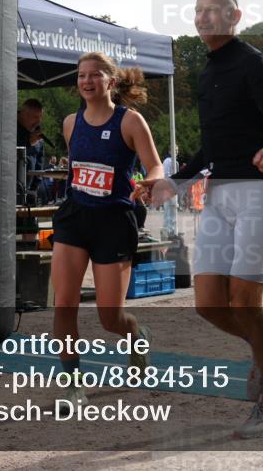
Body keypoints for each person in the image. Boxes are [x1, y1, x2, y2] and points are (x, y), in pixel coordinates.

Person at [141, 0, 263, 438]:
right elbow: (209, 150)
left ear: (234, 16)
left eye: (213, 9)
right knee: (208, 304)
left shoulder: (252, 61)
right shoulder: (206, 72)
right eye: (198, 9)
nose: (203, 16)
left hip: (257, 193)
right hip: (218, 195)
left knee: (245, 304)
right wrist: (172, 183)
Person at [50, 52, 163, 414]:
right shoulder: (71, 123)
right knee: (64, 303)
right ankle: (72, 385)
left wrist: (150, 182)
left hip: (114, 221)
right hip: (75, 216)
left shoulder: (130, 121)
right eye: (81, 75)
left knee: (109, 317)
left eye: (94, 75)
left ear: (110, 82)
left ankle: (137, 336)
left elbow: (155, 166)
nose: (86, 81)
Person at [17, 98, 46, 195]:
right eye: (35, 117)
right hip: (10, 188)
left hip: (29, 190)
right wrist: (28, 143)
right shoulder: (8, 125)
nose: (39, 121)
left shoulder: (36, 133)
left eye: (40, 117)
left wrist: (34, 188)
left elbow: (39, 163)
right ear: (23, 114)